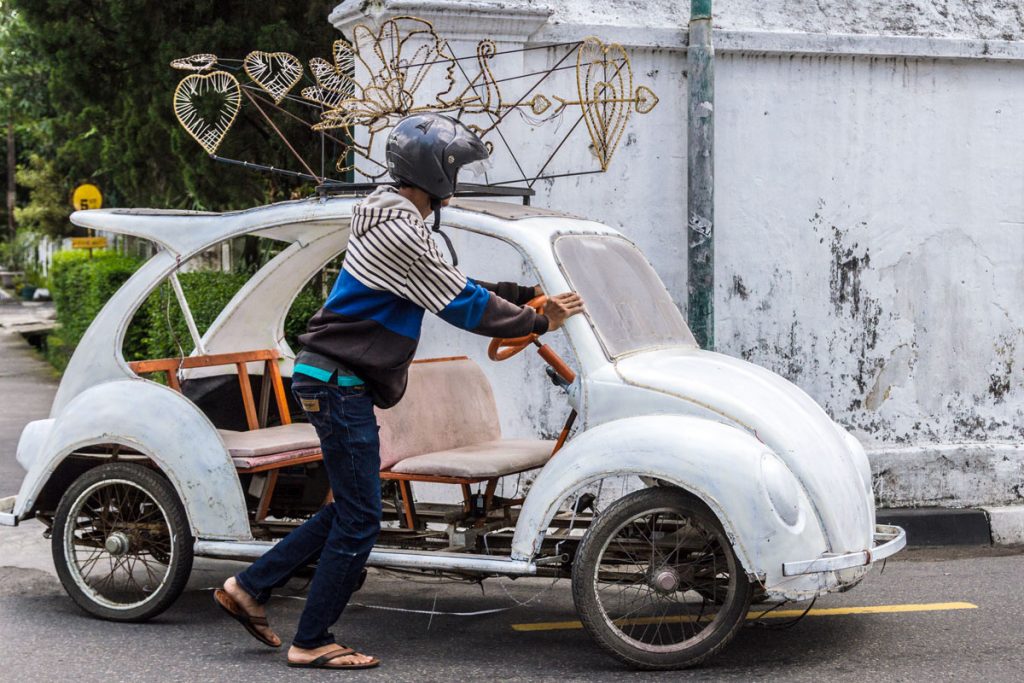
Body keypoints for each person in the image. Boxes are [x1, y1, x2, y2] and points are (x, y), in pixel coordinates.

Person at [214, 113, 584, 670]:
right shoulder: (401, 231)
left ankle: (247, 587)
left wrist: (527, 292)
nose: (458, 178)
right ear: (437, 174)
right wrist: (537, 323)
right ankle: (311, 640)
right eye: (455, 167)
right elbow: (464, 305)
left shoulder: (400, 222)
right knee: (361, 518)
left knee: (351, 509)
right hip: (339, 383)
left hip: (335, 380)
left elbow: (458, 284)